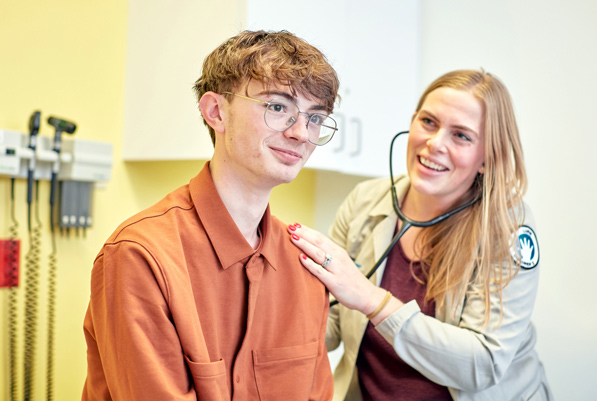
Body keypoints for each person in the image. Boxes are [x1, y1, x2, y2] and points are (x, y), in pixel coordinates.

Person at [82, 30, 340, 400]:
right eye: (278, 107)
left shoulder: (305, 265)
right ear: (216, 112)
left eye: (315, 118)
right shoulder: (140, 256)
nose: (301, 133)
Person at [288, 69, 553, 400]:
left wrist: (373, 301)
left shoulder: (509, 229)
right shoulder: (364, 202)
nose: (435, 143)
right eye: (429, 122)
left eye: (461, 136)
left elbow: (482, 364)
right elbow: (332, 323)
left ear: (487, 158)